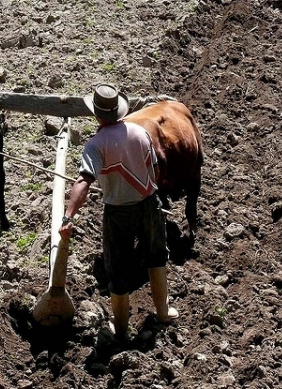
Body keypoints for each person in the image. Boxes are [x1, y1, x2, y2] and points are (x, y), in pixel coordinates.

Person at [59, 83, 178, 340]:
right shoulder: (140, 132)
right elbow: (155, 168)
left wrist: (68, 217)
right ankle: (163, 312)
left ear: (97, 115)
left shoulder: (95, 145)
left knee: (117, 267)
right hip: (149, 205)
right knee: (156, 255)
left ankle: (121, 330)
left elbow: (83, 182)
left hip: (118, 213)